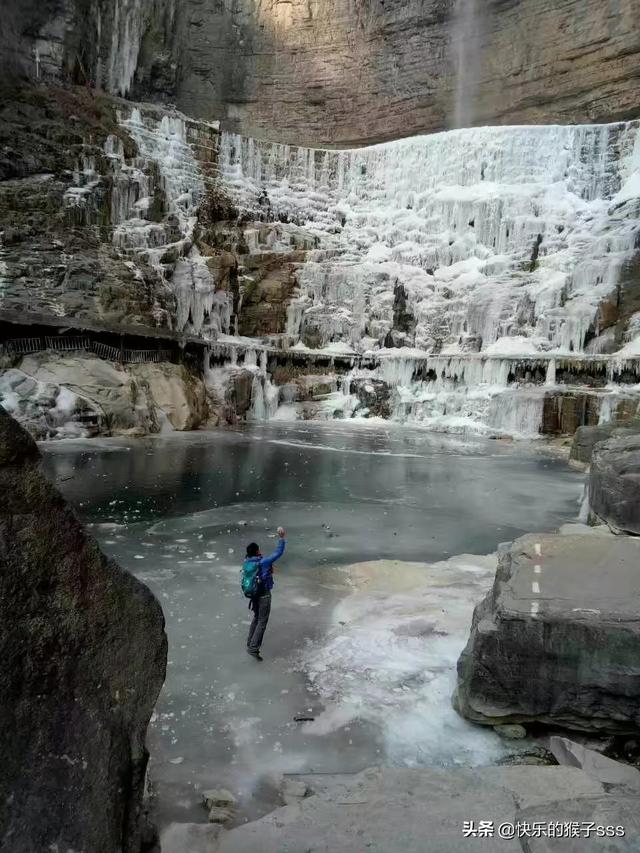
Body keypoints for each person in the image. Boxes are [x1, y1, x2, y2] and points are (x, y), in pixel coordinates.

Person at [245, 526, 286, 661]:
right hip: (264, 596)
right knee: (262, 621)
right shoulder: (263, 562)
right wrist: (281, 538)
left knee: (256, 618)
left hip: (254, 595)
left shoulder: (247, 562)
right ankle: (253, 647)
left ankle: (250, 643)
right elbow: (278, 553)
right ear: (257, 551)